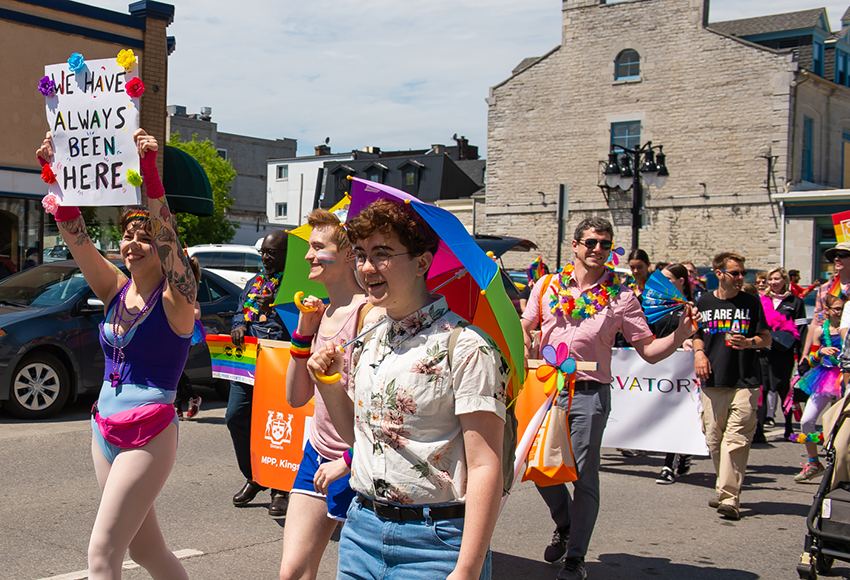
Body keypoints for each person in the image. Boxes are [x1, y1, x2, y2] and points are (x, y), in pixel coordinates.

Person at [309, 198, 509, 580]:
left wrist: (467, 568)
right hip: (360, 532)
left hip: (436, 543)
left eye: (382, 254)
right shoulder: (369, 338)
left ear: (422, 262)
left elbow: (486, 465)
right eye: (361, 255)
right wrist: (330, 384)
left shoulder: (466, 346)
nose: (367, 268)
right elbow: (361, 439)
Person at [37, 129, 194, 579]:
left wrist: (150, 174)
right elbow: (77, 238)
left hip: (148, 433)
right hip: (103, 429)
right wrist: (56, 175)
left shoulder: (177, 299)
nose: (133, 243)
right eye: (127, 235)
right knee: (147, 552)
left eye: (144, 237)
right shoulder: (113, 289)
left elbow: (170, 241)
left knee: (102, 554)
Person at [521, 217, 696, 580]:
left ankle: (575, 557)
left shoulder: (621, 295)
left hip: (589, 394)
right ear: (575, 245)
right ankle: (565, 522)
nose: (598, 249)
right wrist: (525, 341)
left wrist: (680, 335)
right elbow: (525, 325)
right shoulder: (548, 285)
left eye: (604, 244)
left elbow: (647, 349)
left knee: (583, 476)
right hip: (546, 390)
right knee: (536, 467)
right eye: (591, 242)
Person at [279, 209, 382, 580]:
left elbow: (380, 409)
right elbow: (295, 397)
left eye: (318, 247)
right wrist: (303, 334)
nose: (308, 255)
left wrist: (350, 458)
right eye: (309, 246)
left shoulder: (369, 316)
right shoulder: (322, 313)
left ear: (350, 255)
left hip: (360, 461)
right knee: (293, 571)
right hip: (316, 454)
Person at [693, 252, 771, 521]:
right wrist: (699, 354)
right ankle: (724, 486)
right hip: (713, 380)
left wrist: (750, 343)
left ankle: (729, 497)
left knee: (736, 439)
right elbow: (696, 335)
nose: (740, 278)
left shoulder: (752, 302)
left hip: (745, 380)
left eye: (742, 273)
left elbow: (765, 337)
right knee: (714, 439)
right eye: (735, 273)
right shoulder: (704, 301)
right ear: (719, 274)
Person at [227, 230, 291, 516]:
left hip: (281, 365)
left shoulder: (294, 287)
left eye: (272, 253)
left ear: (287, 255)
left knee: (276, 426)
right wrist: (238, 325)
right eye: (263, 252)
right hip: (250, 363)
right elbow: (240, 311)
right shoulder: (255, 282)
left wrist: (277, 309)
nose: (265, 258)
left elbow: (305, 328)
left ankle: (281, 488)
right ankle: (255, 476)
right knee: (235, 417)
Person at [792, 294, 846, 482]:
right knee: (807, 420)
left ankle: (842, 466)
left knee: (840, 423)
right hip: (826, 376)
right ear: (827, 311)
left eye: (843, 308)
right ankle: (814, 462)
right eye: (837, 308)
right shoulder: (819, 331)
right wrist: (821, 352)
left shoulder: (847, 328)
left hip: (846, 376)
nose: (840, 312)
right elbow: (812, 360)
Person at [653, 263, 696, 485]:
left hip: (682, 368)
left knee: (674, 414)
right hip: (658, 365)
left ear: (681, 281)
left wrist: (692, 341)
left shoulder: (691, 306)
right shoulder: (654, 304)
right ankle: (682, 451)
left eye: (669, 279)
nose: (664, 284)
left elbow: (702, 332)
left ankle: (667, 464)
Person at [759, 267, 807, 440]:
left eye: (777, 279)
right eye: (770, 279)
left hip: (783, 353)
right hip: (763, 352)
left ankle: (788, 427)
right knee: (762, 390)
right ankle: (759, 430)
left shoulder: (795, 302)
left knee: (783, 389)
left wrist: (803, 355)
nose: (773, 282)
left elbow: (801, 329)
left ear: (785, 280)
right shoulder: (762, 300)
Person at [175, 256, 203, 420]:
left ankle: (180, 404)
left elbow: (197, 312)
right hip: (173, 329)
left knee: (176, 368)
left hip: (186, 331)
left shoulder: (189, 287)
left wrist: (182, 310)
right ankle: (188, 399)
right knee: (175, 369)